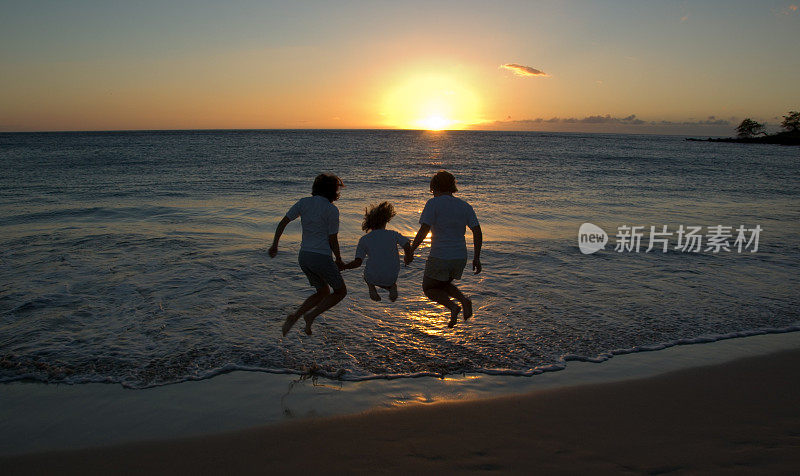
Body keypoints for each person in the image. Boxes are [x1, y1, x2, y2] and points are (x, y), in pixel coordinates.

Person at [268, 173, 347, 336]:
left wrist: (275, 245)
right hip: (321, 257)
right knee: (340, 291)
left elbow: (283, 223)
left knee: (323, 291)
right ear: (333, 191)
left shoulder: (303, 203)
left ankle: (294, 317)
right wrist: (338, 258)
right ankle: (311, 315)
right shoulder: (331, 209)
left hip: (304, 257)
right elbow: (333, 239)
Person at [407, 171, 482, 327]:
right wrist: (477, 257)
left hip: (440, 255)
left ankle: (453, 307)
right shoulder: (464, 205)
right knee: (441, 284)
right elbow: (477, 231)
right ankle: (464, 300)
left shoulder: (433, 203)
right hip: (460, 256)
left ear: (434, 187)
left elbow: (424, 230)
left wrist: (411, 250)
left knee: (429, 288)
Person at [341, 201, 412, 302]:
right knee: (388, 278)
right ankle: (392, 287)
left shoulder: (364, 239)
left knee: (367, 275)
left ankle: (371, 288)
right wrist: (408, 257)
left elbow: (358, 263)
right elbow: (406, 244)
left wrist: (344, 267)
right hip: (391, 276)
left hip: (373, 276)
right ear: (386, 220)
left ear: (369, 223)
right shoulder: (393, 234)